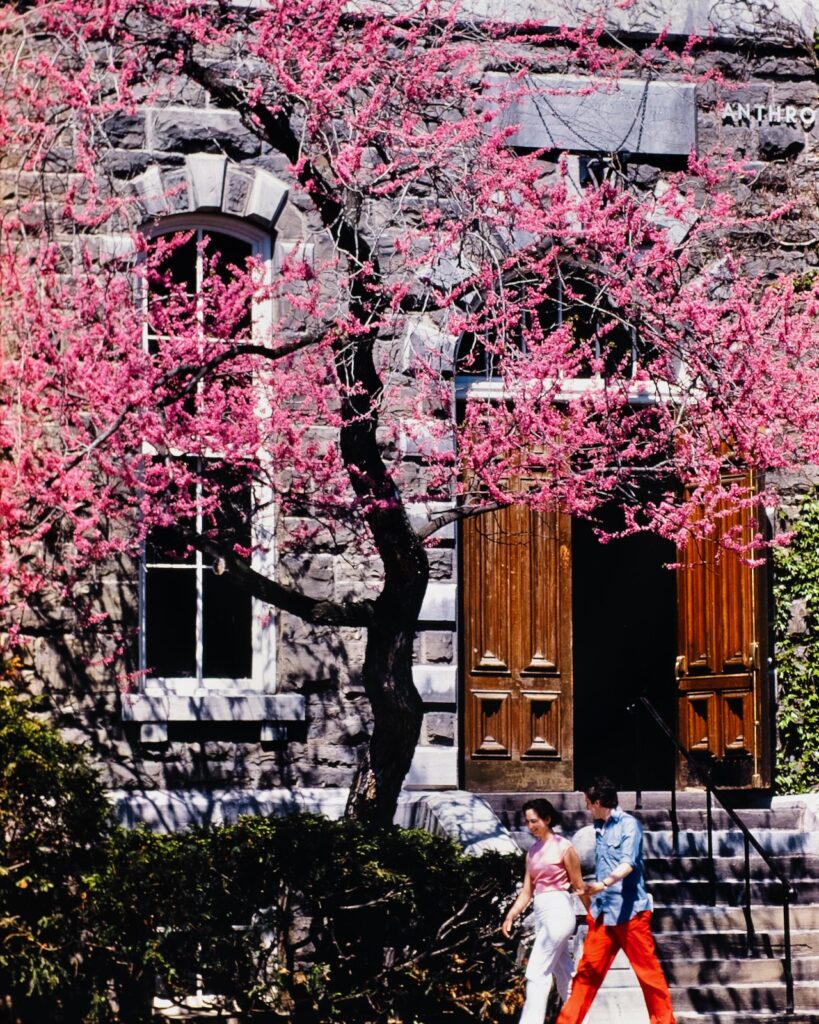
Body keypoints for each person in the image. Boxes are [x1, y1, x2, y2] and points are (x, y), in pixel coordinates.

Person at [556, 777, 676, 1024]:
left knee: (649, 976)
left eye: (588, 803)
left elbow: (627, 864)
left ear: (598, 802)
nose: (587, 807)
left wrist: (602, 884)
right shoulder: (599, 826)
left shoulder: (629, 825)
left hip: (631, 914)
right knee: (586, 976)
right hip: (603, 915)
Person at [502, 798, 588, 1024]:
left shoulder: (564, 847)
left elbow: (579, 886)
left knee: (536, 972)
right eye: (527, 822)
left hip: (559, 911)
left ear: (547, 819)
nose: (530, 826)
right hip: (542, 913)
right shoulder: (532, 852)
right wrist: (511, 914)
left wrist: (593, 915)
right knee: (564, 973)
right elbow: (527, 892)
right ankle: (581, 1017)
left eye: (534, 821)